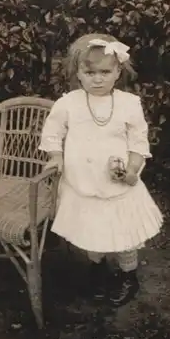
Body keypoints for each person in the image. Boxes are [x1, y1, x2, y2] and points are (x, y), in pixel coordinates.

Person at [38, 33, 163, 305]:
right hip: (82, 182)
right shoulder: (68, 103)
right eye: (90, 72)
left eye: (105, 72)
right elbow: (52, 133)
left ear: (118, 71)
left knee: (123, 234)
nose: (98, 79)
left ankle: (128, 276)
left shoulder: (129, 104)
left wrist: (132, 169)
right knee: (91, 232)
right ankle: (96, 270)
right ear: (78, 73)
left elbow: (138, 141)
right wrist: (56, 157)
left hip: (118, 183)